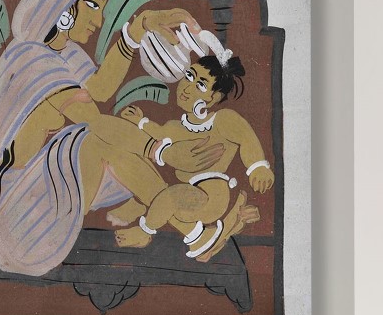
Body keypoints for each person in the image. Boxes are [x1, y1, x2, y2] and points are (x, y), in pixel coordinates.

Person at [0, 0, 220, 277]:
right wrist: (162, 152)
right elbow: (95, 120)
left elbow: (100, 89)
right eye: (92, 5)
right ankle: (188, 229)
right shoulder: (30, 57)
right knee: (96, 140)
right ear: (64, 4)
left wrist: (138, 29)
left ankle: (193, 233)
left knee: (114, 139)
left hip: (35, 206)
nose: (99, 19)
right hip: (12, 218)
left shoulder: (62, 52)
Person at [114, 43, 270, 261]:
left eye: (201, 85)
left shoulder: (222, 120)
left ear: (213, 98)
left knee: (170, 196)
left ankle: (144, 232)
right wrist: (140, 121)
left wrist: (258, 167)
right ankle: (207, 235)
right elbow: (159, 133)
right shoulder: (176, 127)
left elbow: (246, 138)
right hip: (187, 199)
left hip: (210, 198)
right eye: (189, 76)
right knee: (159, 188)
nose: (187, 87)